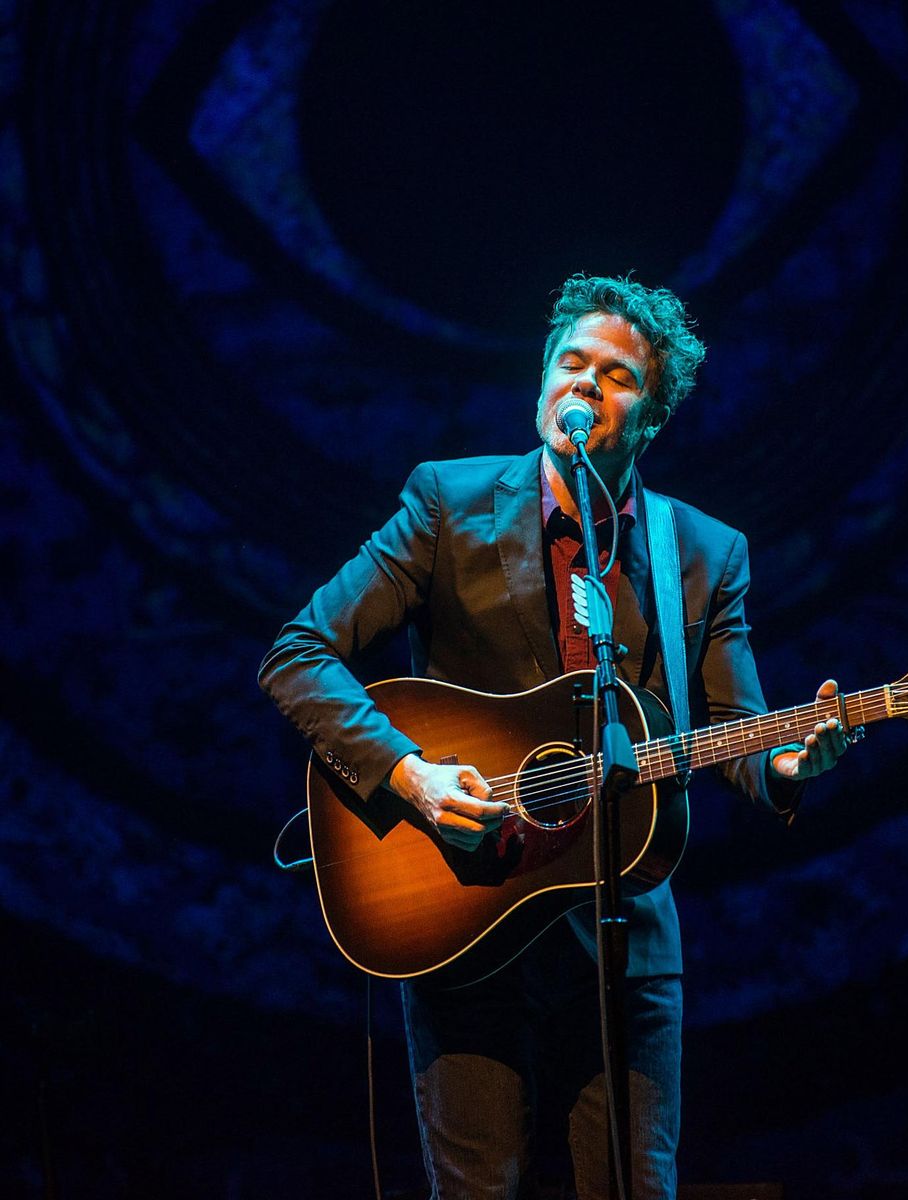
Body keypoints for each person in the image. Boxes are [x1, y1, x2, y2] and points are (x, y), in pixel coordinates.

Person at [259, 274, 847, 1199]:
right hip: (464, 909)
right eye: (570, 364)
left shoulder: (704, 552)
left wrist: (787, 763)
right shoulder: (447, 503)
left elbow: (737, 731)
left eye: (617, 376)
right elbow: (298, 653)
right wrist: (411, 776)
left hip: (625, 945)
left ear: (651, 419)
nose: (585, 384)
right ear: (541, 384)